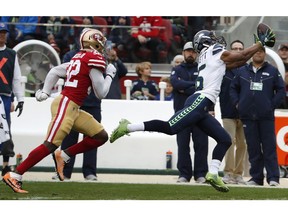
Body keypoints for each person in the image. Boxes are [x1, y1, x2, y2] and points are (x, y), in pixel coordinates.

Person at [109, 28, 275, 192]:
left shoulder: (208, 55)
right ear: (205, 41)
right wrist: (259, 44)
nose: (215, 40)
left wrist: (259, 46)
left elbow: (238, 61)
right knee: (170, 128)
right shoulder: (213, 50)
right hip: (200, 100)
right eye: (211, 37)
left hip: (202, 103)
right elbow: (240, 56)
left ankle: (212, 174)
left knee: (225, 139)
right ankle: (128, 127)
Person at [2, 28, 117, 193]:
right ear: (95, 42)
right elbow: (101, 93)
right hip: (66, 105)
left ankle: (64, 155)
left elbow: (55, 70)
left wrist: (46, 91)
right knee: (49, 144)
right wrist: (110, 75)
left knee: (100, 136)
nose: (103, 47)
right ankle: (15, 175)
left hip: (72, 107)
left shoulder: (79, 56)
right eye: (100, 42)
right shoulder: (92, 58)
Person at [230, 46, 285, 186]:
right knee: (253, 148)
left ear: (265, 55)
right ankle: (256, 178)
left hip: (266, 117)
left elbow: (280, 90)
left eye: (261, 51)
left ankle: (273, 178)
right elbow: (233, 88)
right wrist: (238, 103)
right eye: (256, 51)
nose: (258, 53)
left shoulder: (272, 71)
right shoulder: (242, 71)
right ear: (252, 54)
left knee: (269, 148)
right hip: (247, 116)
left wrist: (270, 105)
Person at [51, 41, 101, 181]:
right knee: (68, 138)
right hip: (74, 101)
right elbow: (67, 74)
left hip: (92, 103)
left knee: (93, 138)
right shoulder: (71, 55)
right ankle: (65, 172)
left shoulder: (99, 57)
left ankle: (90, 171)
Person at [170, 41, 208, 183]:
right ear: (183, 53)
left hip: (200, 113)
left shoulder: (203, 69)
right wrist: (194, 85)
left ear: (197, 54)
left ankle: (200, 174)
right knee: (183, 145)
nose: (190, 53)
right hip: (182, 113)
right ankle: (184, 174)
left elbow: (204, 87)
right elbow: (176, 83)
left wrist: (185, 87)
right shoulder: (177, 69)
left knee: (201, 145)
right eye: (188, 51)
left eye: (193, 51)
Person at [219, 40, 247, 185]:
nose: (237, 50)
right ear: (230, 51)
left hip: (245, 114)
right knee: (229, 142)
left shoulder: (248, 69)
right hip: (228, 112)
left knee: (242, 144)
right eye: (235, 48)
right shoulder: (222, 68)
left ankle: (238, 174)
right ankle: (228, 173)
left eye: (240, 48)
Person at [0, 22, 24, 176]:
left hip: (5, 96)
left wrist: (20, 99)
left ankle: (5, 165)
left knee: (6, 129)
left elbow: (16, 78)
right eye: (0, 33)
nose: (2, 35)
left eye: (4, 33)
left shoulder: (11, 54)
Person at [277, 43, 288, 108]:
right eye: (282, 50)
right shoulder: (273, 66)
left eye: (286, 50)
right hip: (279, 98)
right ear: (278, 52)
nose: (284, 52)